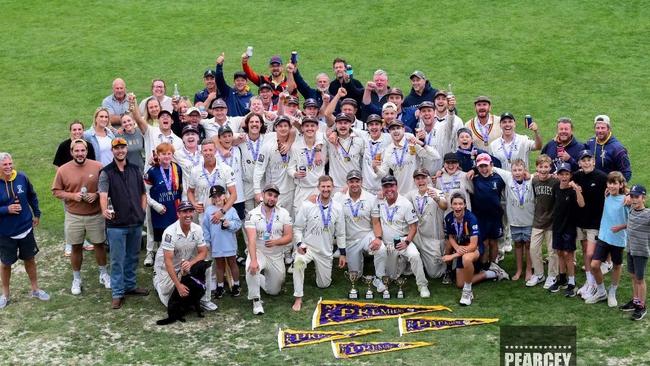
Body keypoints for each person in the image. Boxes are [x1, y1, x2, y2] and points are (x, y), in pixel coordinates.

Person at [52, 139, 110, 295]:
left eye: (82, 150)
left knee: (99, 244)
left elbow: (107, 186)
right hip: (74, 216)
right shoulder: (63, 170)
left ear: (86, 151)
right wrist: (72, 196)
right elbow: (56, 191)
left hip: (95, 214)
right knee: (76, 247)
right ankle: (76, 278)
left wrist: (96, 195)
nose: (80, 153)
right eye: (76, 151)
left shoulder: (98, 166)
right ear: (71, 152)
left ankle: (103, 274)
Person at [98, 138, 149, 309]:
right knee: (117, 259)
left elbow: (143, 194)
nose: (120, 151)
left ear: (127, 149)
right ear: (112, 151)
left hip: (135, 222)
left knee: (133, 257)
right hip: (116, 225)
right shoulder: (106, 172)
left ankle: (130, 286)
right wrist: (105, 210)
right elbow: (103, 195)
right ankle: (117, 292)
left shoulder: (135, 170)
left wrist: (141, 212)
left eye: (122, 148)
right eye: (116, 148)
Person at [0, 152, 50, 309]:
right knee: (5, 264)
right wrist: (6, 209)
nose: (8, 167)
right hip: (5, 232)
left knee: (30, 259)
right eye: (5, 165)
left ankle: (35, 289)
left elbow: (32, 196)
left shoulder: (22, 177)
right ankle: (5, 295)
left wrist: (36, 213)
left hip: (26, 229)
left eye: (10, 163)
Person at [292, 176, 346, 311]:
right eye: (323, 187)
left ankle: (319, 273)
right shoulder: (307, 205)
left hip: (325, 251)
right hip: (307, 248)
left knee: (323, 285)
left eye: (328, 187)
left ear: (332, 188)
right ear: (318, 188)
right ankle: (298, 298)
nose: (326, 189)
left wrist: (342, 254)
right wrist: (299, 244)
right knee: (298, 262)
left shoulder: (338, 208)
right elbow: (297, 228)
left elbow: (340, 233)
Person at [153, 201, 216, 311]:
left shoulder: (197, 229)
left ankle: (205, 300)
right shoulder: (169, 233)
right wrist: (178, 286)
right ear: (178, 214)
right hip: (166, 269)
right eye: (184, 212)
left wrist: (190, 263)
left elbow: (203, 252)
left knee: (206, 265)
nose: (188, 215)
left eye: (190, 211)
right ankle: (157, 282)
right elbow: (168, 262)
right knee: (171, 303)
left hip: (184, 265)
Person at [373, 175, 430, 298]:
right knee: (392, 277)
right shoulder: (378, 200)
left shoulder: (405, 203)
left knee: (414, 255)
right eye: (385, 186)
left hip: (403, 240)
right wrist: (378, 238)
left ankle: (422, 285)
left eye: (391, 186)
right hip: (387, 242)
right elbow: (376, 221)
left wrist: (407, 242)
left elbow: (414, 227)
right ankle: (381, 278)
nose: (389, 189)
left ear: (396, 186)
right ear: (382, 188)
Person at [332, 170, 387, 292]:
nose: (354, 184)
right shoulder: (338, 198)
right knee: (355, 276)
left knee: (381, 248)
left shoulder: (371, 198)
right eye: (351, 182)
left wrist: (378, 238)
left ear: (361, 182)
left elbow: (376, 222)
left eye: (357, 181)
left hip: (366, 235)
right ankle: (357, 268)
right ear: (347, 183)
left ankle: (379, 277)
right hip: (349, 240)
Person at [244, 184, 293, 315]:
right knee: (251, 267)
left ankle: (258, 278)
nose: (272, 198)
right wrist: (253, 260)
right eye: (269, 195)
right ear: (263, 195)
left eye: (275, 196)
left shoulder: (284, 213)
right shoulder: (252, 214)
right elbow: (251, 240)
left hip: (276, 255)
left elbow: (289, 236)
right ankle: (256, 301)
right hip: (259, 252)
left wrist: (276, 242)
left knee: (274, 291)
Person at [585, 172, 628, 307]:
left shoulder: (627, 200)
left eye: (615, 183)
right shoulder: (607, 194)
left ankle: (612, 292)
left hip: (618, 239)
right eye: (609, 183)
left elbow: (634, 220)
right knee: (594, 265)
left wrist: (621, 227)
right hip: (604, 237)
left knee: (616, 266)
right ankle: (601, 291)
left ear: (621, 185)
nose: (611, 186)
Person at [572, 150, 608, 300]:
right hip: (581, 221)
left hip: (595, 222)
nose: (586, 162)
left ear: (593, 161)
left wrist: (626, 196)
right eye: (583, 160)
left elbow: (617, 186)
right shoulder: (577, 176)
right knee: (585, 251)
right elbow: (564, 178)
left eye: (589, 160)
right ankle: (589, 282)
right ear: (579, 163)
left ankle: (595, 285)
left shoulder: (601, 177)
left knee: (590, 254)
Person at [547, 163, 585, 297]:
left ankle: (572, 282)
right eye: (561, 174)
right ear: (558, 175)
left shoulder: (573, 190)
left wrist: (577, 190)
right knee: (559, 253)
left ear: (570, 175)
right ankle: (561, 279)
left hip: (569, 227)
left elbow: (581, 204)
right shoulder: (556, 187)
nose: (564, 177)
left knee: (568, 254)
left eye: (566, 174)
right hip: (557, 226)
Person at [494, 159, 535, 282]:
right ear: (511, 171)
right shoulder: (508, 178)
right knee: (517, 245)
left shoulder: (532, 179)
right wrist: (473, 169)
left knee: (528, 245)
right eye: (515, 170)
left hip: (529, 219)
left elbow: (541, 173)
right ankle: (519, 270)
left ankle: (528, 269)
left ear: (525, 170)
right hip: (514, 220)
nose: (517, 173)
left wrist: (531, 175)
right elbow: (493, 168)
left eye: (520, 170)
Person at [375, 120, 438, 195]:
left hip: (418, 191)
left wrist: (421, 143)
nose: (395, 131)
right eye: (392, 129)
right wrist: (375, 168)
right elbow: (384, 174)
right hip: (400, 193)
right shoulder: (388, 150)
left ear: (403, 129)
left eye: (398, 128)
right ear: (389, 132)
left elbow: (435, 156)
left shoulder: (411, 142)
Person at [144, 143, 183, 262]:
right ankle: (160, 265)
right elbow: (145, 193)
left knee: (176, 239)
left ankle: (175, 263)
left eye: (169, 153)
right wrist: (155, 205)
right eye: (163, 154)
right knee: (163, 241)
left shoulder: (177, 168)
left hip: (174, 210)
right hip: (160, 212)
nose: (166, 156)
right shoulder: (152, 171)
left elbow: (181, 189)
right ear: (158, 155)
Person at [406, 168, 448, 279]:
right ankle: (419, 262)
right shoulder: (411, 194)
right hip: (417, 235)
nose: (421, 181)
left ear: (428, 179)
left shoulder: (437, 192)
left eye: (423, 178)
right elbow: (399, 201)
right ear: (414, 181)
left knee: (435, 274)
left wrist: (437, 199)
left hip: (433, 238)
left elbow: (445, 206)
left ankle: (448, 265)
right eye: (418, 178)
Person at [469, 153, 507, 273]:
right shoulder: (474, 179)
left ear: (491, 165)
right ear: (477, 167)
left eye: (486, 166)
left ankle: (494, 264)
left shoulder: (499, 178)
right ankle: (484, 265)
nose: (484, 169)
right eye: (481, 167)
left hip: (495, 216)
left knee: (494, 241)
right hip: (480, 216)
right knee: (484, 242)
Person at [202, 185, 242, 299]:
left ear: (224, 196)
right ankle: (220, 286)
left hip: (229, 243)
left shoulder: (231, 209)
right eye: (214, 196)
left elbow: (238, 224)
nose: (217, 198)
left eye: (219, 195)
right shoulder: (209, 211)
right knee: (219, 265)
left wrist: (229, 224)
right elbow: (206, 228)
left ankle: (236, 285)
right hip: (216, 243)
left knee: (232, 263)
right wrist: (207, 242)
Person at [529, 154, 560, 288]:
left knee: (552, 251)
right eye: (540, 167)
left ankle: (552, 276)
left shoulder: (555, 181)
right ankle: (539, 274)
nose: (543, 169)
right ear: (537, 167)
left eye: (546, 167)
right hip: (538, 220)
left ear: (550, 167)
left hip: (552, 222)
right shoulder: (534, 180)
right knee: (533, 249)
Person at [288, 117, 328, 214]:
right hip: (302, 190)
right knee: (299, 220)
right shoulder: (296, 146)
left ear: (317, 127)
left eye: (312, 126)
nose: (310, 128)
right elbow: (290, 168)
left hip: (318, 189)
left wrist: (318, 149)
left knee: (319, 219)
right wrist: (295, 174)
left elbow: (324, 135)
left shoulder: (324, 143)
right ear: (302, 128)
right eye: (306, 126)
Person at [621, 184, 649, 320]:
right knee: (633, 277)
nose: (634, 199)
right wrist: (626, 191)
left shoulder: (648, 214)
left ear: (644, 198)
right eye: (632, 196)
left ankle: (641, 306)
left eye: (637, 197)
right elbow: (625, 190)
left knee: (640, 279)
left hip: (641, 252)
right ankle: (635, 300)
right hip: (630, 249)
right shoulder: (631, 209)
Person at [584, 115, 632, 181]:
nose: (600, 131)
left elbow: (626, 172)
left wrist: (615, 186)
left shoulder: (617, 148)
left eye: (603, 128)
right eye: (597, 128)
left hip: (609, 188)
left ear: (609, 129)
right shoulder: (590, 142)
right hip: (592, 185)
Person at [326, 113, 365, 191]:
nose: (343, 126)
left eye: (345, 123)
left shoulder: (359, 141)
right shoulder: (329, 141)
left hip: (355, 185)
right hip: (336, 187)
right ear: (336, 125)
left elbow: (365, 164)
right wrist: (333, 132)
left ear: (350, 124)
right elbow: (327, 113)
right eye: (340, 123)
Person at [215, 52, 253, 117]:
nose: (240, 82)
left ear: (246, 82)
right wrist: (219, 66)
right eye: (237, 80)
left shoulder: (251, 98)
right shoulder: (228, 93)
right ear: (234, 82)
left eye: (242, 80)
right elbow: (219, 81)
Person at [174, 125, 203, 200]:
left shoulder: (205, 149)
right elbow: (165, 158)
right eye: (187, 135)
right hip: (188, 196)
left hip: (205, 195)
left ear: (198, 138)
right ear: (183, 139)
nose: (190, 136)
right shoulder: (177, 154)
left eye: (193, 134)